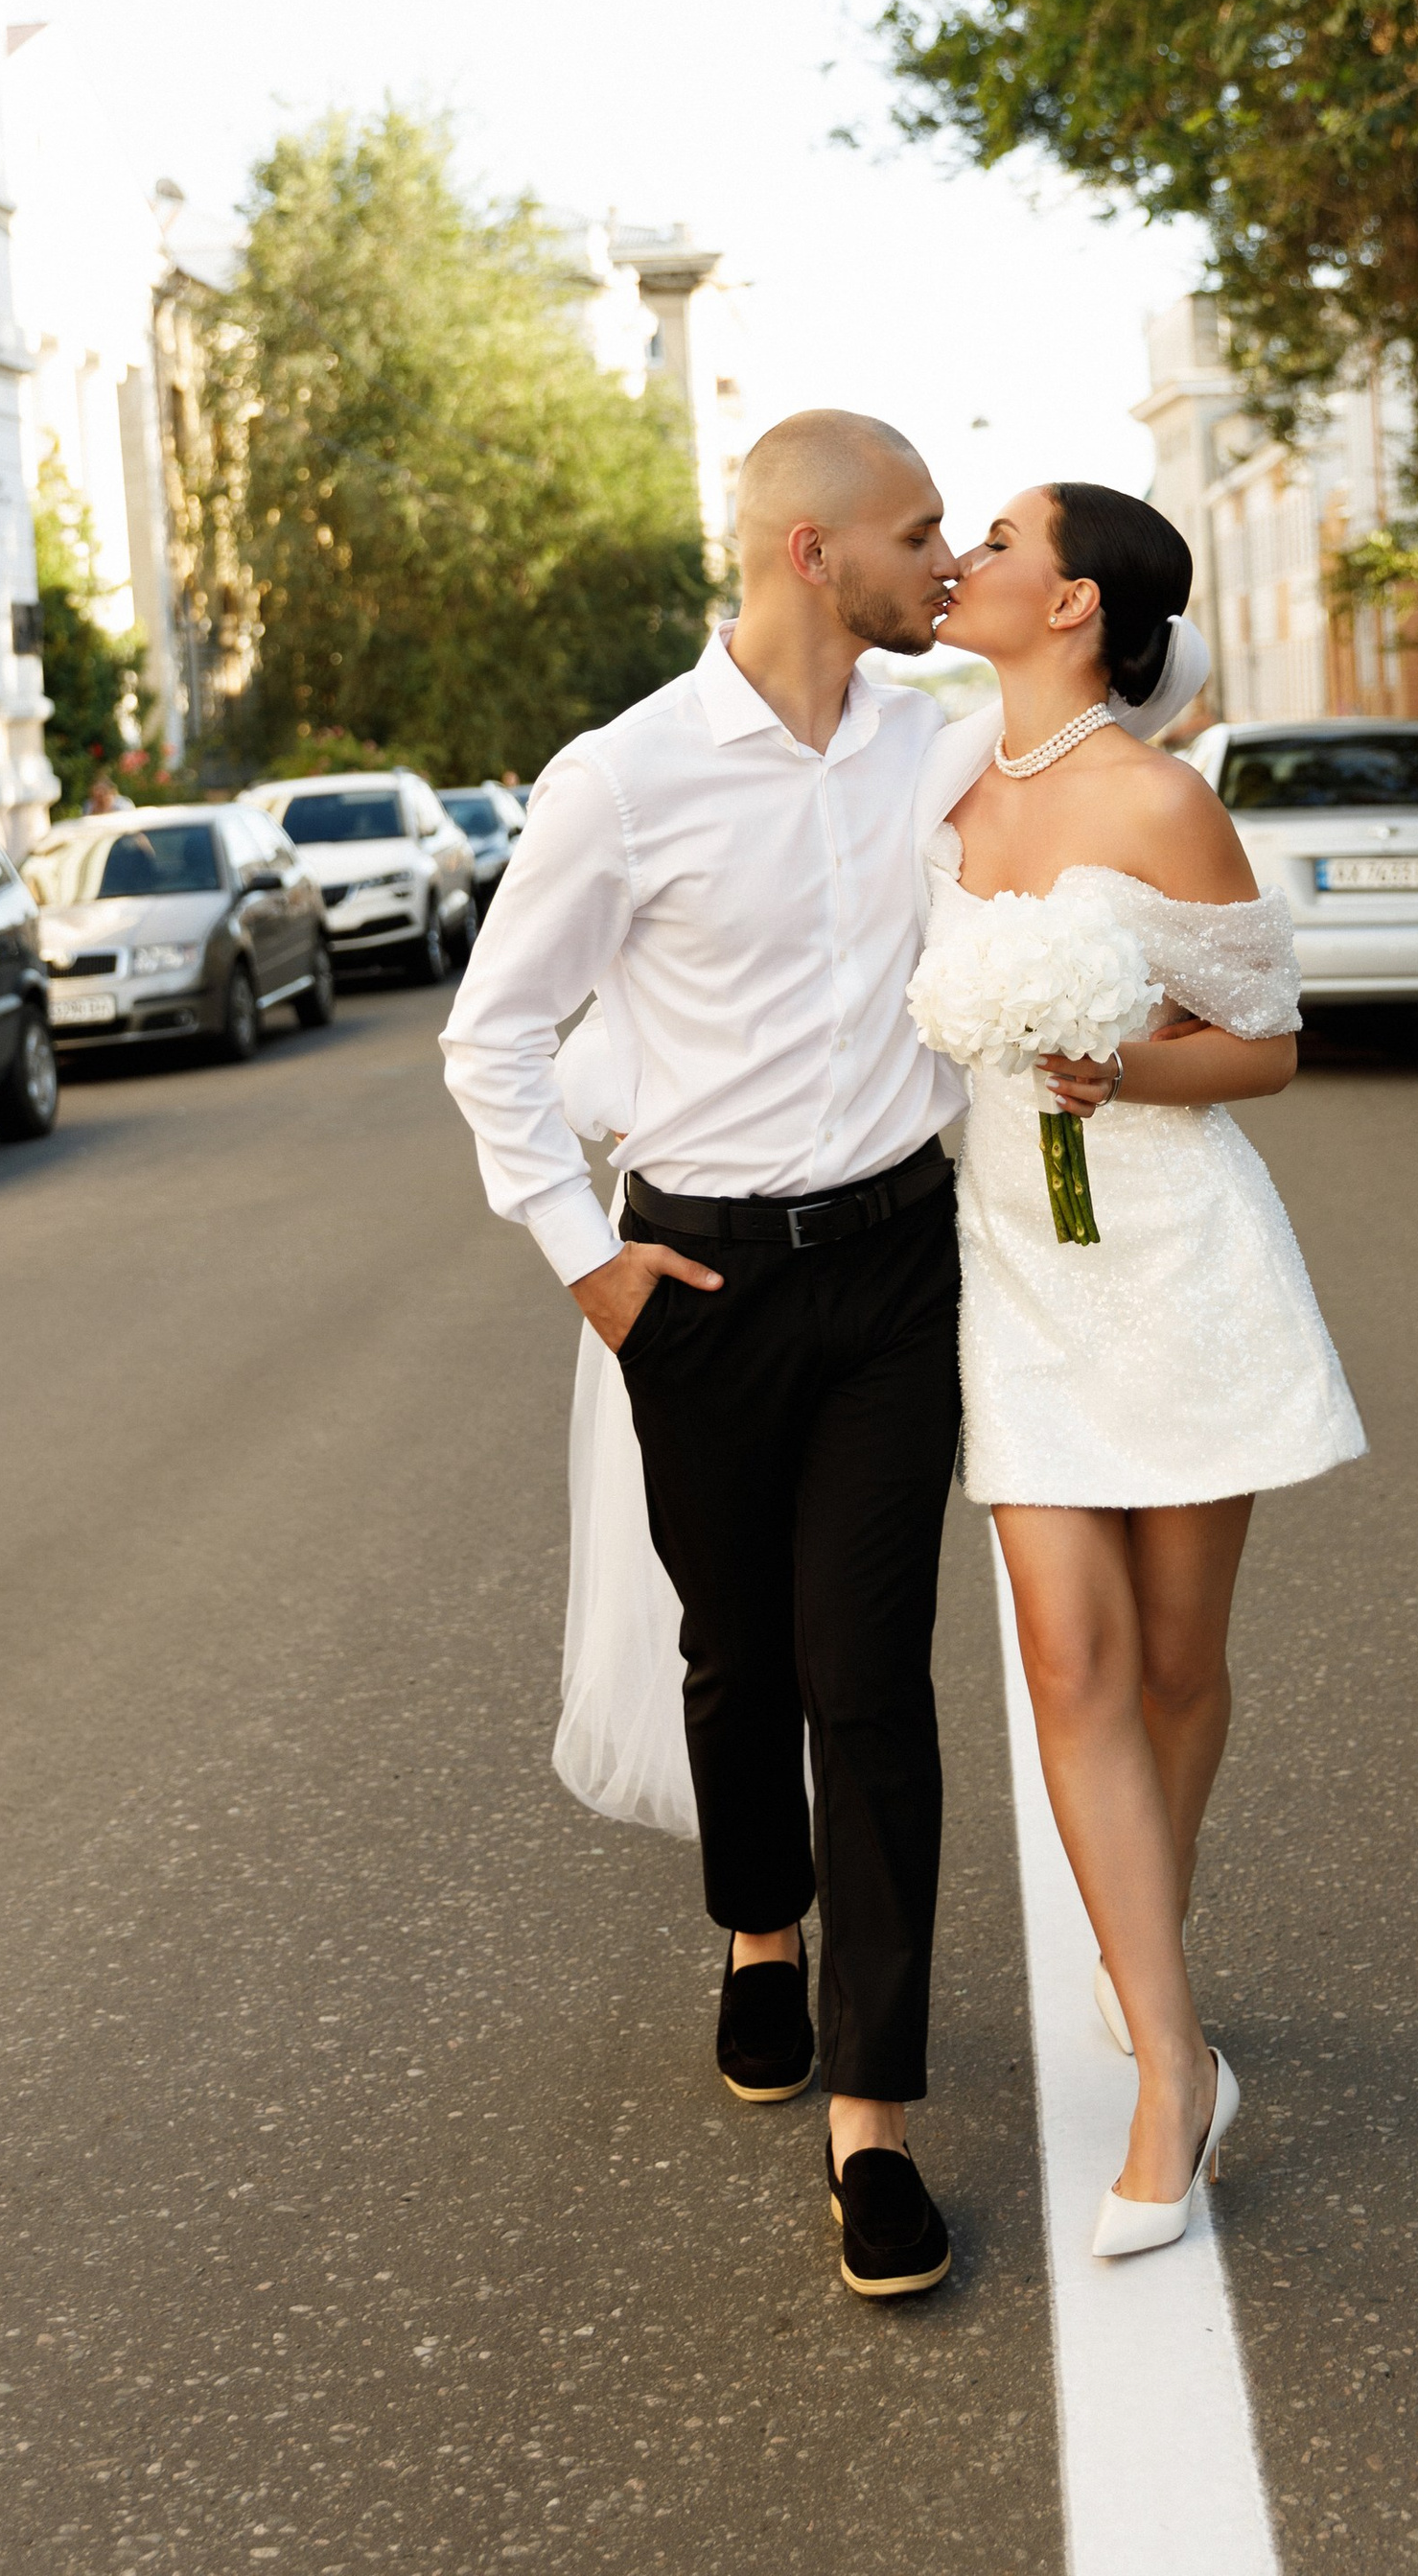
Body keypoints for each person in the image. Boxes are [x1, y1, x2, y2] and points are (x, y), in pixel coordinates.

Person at [442, 410, 972, 2301]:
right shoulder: (624, 779)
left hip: (898, 1271)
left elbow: (1144, 685)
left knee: (868, 1677)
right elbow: (493, 1036)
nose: (948, 563)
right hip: (707, 1289)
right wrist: (590, 1268)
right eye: (920, 532)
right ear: (811, 553)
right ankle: (760, 1927)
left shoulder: (943, 735)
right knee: (737, 1655)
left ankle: (871, 2120)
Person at [913, 481, 1364, 2258]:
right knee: (1069, 1662)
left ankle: (1139, 1947)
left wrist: (1126, 1072)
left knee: (1178, 1665)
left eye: (999, 542)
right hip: (1014, 1271)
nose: (967, 561)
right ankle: (1177, 2072)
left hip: (1173, 1261)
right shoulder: (934, 790)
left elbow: (1267, 1045)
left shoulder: (1167, 801)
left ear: (1076, 602)